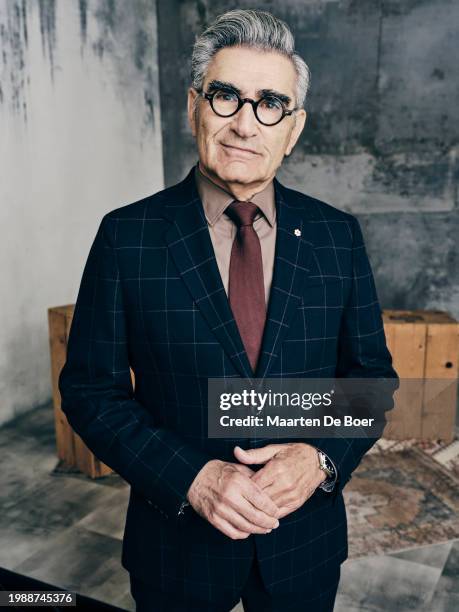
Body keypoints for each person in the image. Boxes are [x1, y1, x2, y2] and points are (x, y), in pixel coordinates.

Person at [58, 9, 398, 612]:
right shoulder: (127, 236)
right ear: (194, 106)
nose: (246, 123)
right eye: (225, 97)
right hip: (177, 549)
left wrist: (318, 458)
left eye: (271, 104)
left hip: (303, 545)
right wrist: (193, 477)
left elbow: (370, 378)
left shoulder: (336, 236)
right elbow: (91, 391)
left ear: (293, 130)